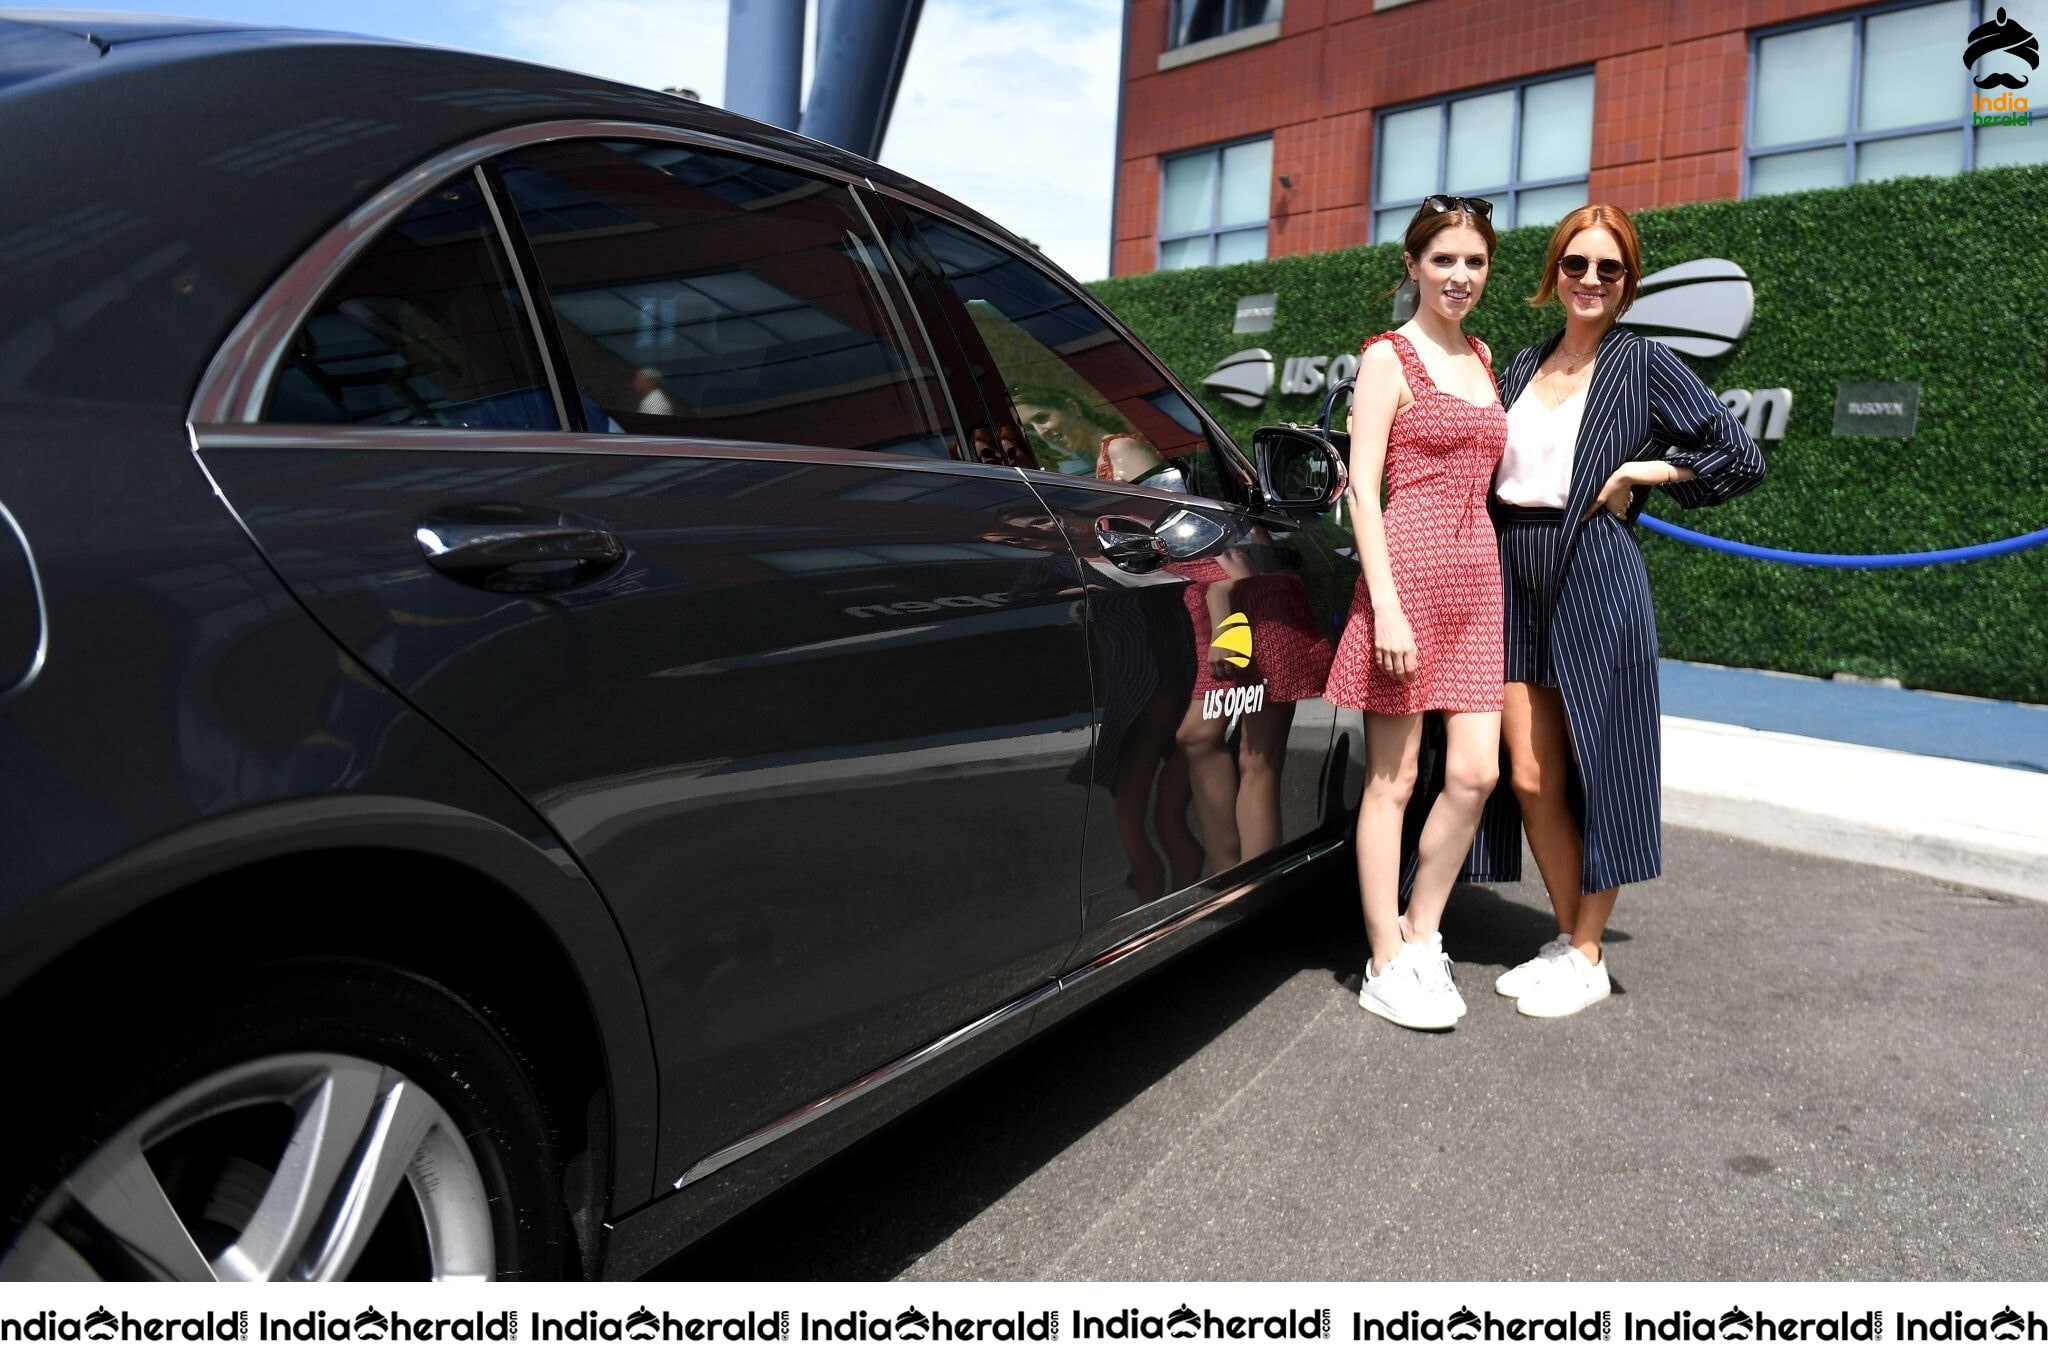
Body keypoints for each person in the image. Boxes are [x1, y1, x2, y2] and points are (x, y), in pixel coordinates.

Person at [1481, 204, 1764, 1018]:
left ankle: (1585, 948)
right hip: (1510, 570)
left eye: (1610, 269)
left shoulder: (1643, 361)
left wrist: (1649, 471)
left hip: (1595, 569)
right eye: (1577, 265)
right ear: (1554, 272)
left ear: (1628, 282)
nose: (1591, 281)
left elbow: (1738, 456)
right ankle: (1573, 942)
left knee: (1600, 765)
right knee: (1531, 774)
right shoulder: (1521, 365)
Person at [1326, 196, 1506, 1031]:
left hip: (1478, 585)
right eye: (1444, 261)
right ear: (1413, 265)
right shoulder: (1387, 358)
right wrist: (1387, 608)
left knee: (1475, 773)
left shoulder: (1484, 354)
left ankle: (1422, 930)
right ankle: (1386, 960)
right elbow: (1363, 487)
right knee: (1393, 780)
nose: (1459, 276)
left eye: (1473, 261)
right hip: (1405, 582)